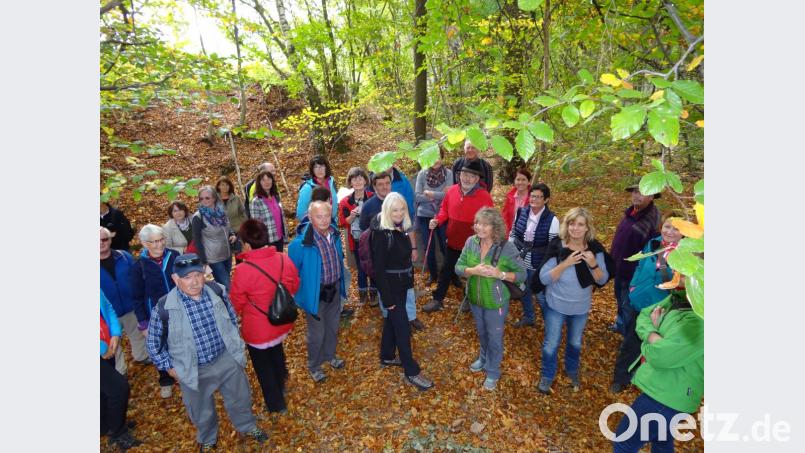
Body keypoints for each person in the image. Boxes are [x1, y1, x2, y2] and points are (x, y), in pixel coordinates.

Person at [146, 254, 268, 451]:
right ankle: (208, 438)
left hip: (225, 358)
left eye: (197, 275)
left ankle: (247, 426)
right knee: (201, 409)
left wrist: (235, 344)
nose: (194, 282)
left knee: (240, 397)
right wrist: (169, 368)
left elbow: (231, 318)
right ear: (176, 279)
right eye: (187, 277)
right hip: (193, 368)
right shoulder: (164, 308)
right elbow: (153, 344)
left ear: (204, 274)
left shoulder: (217, 291)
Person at [611, 288, 703, 453]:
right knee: (662, 443)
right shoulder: (681, 297)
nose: (676, 272)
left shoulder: (701, 320)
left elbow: (662, 356)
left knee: (624, 441)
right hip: (667, 393)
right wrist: (656, 336)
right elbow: (646, 314)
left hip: (666, 396)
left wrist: (650, 338)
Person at [535, 207, 610, 394]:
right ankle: (547, 374)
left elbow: (602, 279)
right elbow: (543, 278)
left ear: (587, 228)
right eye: (571, 223)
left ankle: (572, 370)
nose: (575, 228)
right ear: (566, 226)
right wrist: (565, 264)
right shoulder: (557, 246)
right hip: (556, 306)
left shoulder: (594, 249)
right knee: (551, 343)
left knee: (575, 342)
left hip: (580, 308)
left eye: (580, 224)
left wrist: (593, 263)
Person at [230, 219, 301, 414]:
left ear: (247, 243)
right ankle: (282, 380)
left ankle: (276, 404)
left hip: (258, 329)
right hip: (281, 321)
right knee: (277, 350)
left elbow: (236, 302)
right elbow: (294, 284)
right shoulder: (282, 258)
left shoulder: (243, 270)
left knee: (263, 366)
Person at [610, 212, 682, 394]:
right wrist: (633, 288)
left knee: (656, 344)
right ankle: (620, 378)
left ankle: (647, 380)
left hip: (662, 308)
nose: (670, 231)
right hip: (640, 302)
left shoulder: (684, 254)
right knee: (631, 342)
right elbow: (640, 265)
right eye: (667, 226)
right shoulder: (653, 243)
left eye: (676, 228)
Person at [456, 208, 526, 390]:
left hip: (496, 303)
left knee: (494, 337)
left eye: (485, 224)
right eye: (478, 222)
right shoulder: (471, 242)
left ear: (495, 227)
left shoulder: (506, 247)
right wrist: (472, 271)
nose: (479, 227)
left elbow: (522, 274)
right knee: (482, 333)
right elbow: (458, 266)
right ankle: (483, 359)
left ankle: (493, 371)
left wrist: (500, 274)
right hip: (474, 299)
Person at [371, 193, 435, 391]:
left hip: (401, 285)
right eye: (394, 210)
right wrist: (387, 299)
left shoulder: (400, 228)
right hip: (391, 290)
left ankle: (387, 355)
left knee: (392, 321)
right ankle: (411, 371)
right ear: (387, 211)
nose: (398, 213)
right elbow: (378, 269)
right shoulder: (382, 233)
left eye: (401, 209)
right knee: (403, 328)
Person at [288, 201, 349, 383]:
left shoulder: (334, 235)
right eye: (318, 216)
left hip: (334, 289)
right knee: (317, 333)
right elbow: (292, 273)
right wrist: (302, 296)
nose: (323, 220)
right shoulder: (300, 244)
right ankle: (314, 365)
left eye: (326, 216)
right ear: (310, 217)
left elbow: (338, 260)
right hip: (316, 294)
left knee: (333, 326)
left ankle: (330, 356)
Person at [423, 160, 494, 313]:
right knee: (446, 270)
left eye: (471, 176)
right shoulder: (451, 191)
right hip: (453, 241)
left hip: (474, 245)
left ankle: (469, 300)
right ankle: (437, 299)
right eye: (464, 174)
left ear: (477, 179)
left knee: (472, 275)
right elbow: (444, 211)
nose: (467, 178)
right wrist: (438, 220)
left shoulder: (484, 197)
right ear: (459, 175)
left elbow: (490, 220)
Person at [360, 171, 422, 329]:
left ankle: (411, 317)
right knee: (385, 289)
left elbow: (408, 227)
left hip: (402, 257)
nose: (384, 187)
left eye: (387, 183)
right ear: (374, 187)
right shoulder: (369, 206)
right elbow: (364, 233)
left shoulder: (399, 202)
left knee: (407, 289)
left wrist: (413, 247)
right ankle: (390, 319)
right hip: (385, 260)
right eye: (380, 184)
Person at [131, 223, 181, 398]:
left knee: (181, 342)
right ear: (144, 244)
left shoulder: (174, 256)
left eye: (161, 240)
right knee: (160, 346)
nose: (159, 245)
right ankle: (165, 380)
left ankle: (186, 372)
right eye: (153, 242)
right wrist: (143, 323)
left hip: (178, 310)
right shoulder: (138, 266)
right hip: (156, 316)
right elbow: (136, 297)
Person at [609, 184, 661, 335]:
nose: (636, 196)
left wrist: (639, 276)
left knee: (629, 306)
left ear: (651, 196)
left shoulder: (653, 219)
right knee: (620, 300)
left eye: (642, 193)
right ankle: (620, 325)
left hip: (633, 274)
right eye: (635, 192)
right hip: (619, 268)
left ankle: (628, 336)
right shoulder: (630, 213)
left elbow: (652, 250)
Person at [507, 183, 559, 327]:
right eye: (532, 196)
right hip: (520, 261)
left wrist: (547, 267)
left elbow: (554, 247)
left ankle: (551, 323)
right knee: (523, 290)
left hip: (538, 264)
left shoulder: (552, 220)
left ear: (546, 200)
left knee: (541, 295)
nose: (534, 199)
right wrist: (510, 252)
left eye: (538, 197)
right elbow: (513, 233)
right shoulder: (520, 212)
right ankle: (529, 317)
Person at [101, 226, 149, 375]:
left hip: (130, 305)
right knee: (113, 344)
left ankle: (142, 356)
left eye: (104, 239)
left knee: (137, 334)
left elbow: (138, 277)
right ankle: (119, 372)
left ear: (110, 240)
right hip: (108, 313)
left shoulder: (124, 256)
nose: (101, 243)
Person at [100, 291, 142, 451]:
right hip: (102, 348)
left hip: (107, 343)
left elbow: (108, 307)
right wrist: (101, 348)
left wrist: (116, 334)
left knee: (104, 390)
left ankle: (106, 425)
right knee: (119, 389)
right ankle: (117, 432)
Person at [338, 167, 375, 304]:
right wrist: (352, 215)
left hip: (373, 237)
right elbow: (343, 222)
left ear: (365, 180)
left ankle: (374, 294)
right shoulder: (345, 202)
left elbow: (378, 217)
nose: (358, 181)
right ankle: (363, 295)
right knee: (361, 268)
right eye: (354, 179)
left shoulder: (372, 197)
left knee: (373, 265)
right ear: (350, 182)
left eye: (360, 178)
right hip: (357, 240)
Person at [414, 153, 452, 285]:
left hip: (443, 214)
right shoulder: (421, 174)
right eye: (432, 156)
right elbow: (417, 196)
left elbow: (449, 196)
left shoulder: (449, 174)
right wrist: (440, 195)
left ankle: (449, 274)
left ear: (442, 157)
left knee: (444, 245)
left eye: (438, 156)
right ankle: (433, 274)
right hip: (424, 215)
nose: (435, 160)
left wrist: (430, 193)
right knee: (428, 246)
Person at [192, 185, 238, 290]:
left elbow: (227, 227)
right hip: (213, 258)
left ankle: (226, 303)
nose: (204, 200)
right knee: (227, 285)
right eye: (201, 198)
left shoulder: (221, 212)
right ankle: (231, 305)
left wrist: (232, 234)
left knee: (224, 284)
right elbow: (197, 241)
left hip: (227, 254)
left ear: (214, 198)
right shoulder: (198, 217)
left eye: (207, 198)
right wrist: (203, 261)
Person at [249, 170, 289, 252]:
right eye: (263, 180)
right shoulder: (256, 201)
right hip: (267, 241)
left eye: (269, 179)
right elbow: (256, 225)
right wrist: (261, 243)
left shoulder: (276, 197)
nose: (267, 182)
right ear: (259, 183)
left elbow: (281, 217)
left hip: (280, 237)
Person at [296, 155, 338, 222]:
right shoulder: (308, 187)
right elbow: (301, 214)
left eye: (322, 166)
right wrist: (315, 225)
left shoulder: (331, 182)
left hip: (332, 225)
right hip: (316, 228)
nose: (319, 169)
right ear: (312, 170)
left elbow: (335, 205)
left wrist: (335, 220)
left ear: (326, 168)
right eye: (316, 167)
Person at [501, 167, 532, 234]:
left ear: (528, 182)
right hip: (510, 233)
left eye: (524, 180)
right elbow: (505, 216)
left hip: (527, 235)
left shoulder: (533, 197)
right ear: (514, 181)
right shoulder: (510, 197)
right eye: (518, 179)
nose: (520, 182)